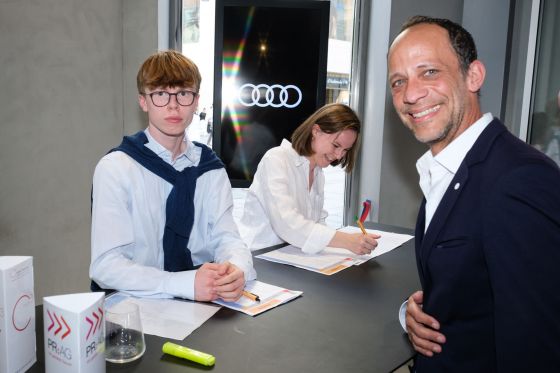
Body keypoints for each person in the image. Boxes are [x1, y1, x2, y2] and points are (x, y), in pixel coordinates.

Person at [388, 16, 560, 371]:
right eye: (398, 82)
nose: (410, 94)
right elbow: (469, 289)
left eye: (429, 72)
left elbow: (537, 349)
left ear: (474, 76)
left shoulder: (520, 179)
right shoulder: (449, 167)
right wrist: (413, 313)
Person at [90, 50, 255, 302]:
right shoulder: (116, 168)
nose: (173, 105)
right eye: (160, 94)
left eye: (183, 93)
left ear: (196, 101)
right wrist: (182, 283)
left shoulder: (210, 168)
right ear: (143, 101)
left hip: (203, 301)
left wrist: (236, 269)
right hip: (136, 308)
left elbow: (227, 238)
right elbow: (106, 266)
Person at [239, 103, 379, 255]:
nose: (339, 155)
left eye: (345, 150)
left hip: (291, 257)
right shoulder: (276, 159)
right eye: (336, 145)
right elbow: (287, 223)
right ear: (316, 131)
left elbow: (318, 223)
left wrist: (351, 244)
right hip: (259, 258)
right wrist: (346, 241)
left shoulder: (318, 172)